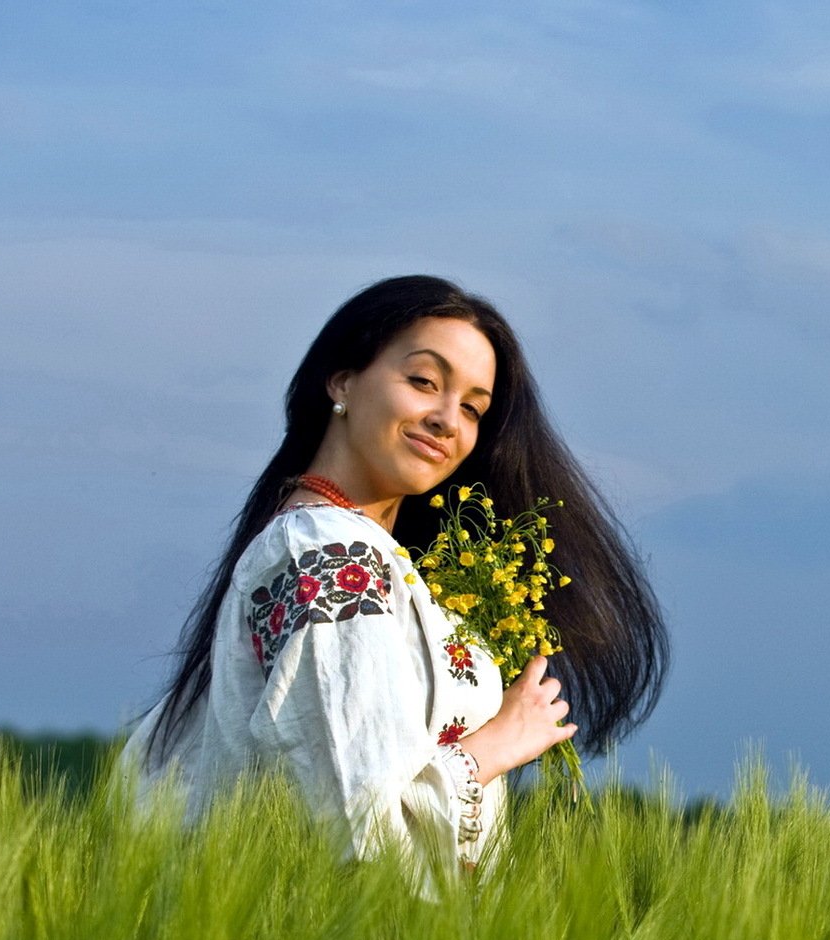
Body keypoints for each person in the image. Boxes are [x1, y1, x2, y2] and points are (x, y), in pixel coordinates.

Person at [121, 275, 667, 897]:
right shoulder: (328, 555)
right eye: (424, 382)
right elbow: (355, 824)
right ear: (343, 380)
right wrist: (496, 745)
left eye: (473, 408)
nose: (446, 420)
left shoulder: (363, 560)